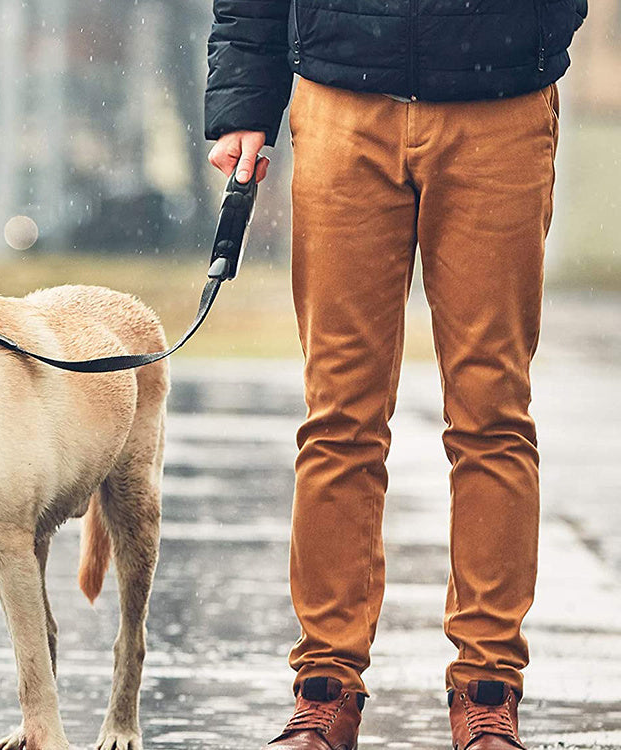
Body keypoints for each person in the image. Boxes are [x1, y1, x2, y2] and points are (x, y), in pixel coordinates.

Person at [204, 2, 587, 749]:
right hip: (341, 100)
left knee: (492, 413)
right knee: (338, 415)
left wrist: (531, 32)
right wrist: (244, 99)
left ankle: (488, 688)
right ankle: (325, 691)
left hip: (500, 108)